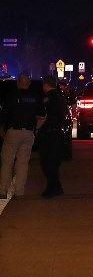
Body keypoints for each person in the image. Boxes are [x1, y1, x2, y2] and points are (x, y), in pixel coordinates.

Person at [0, 72, 45, 200]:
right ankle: (19, 192)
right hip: (28, 133)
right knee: (23, 163)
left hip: (13, 131)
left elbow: (4, 114)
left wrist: (2, 128)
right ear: (29, 83)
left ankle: (3, 191)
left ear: (18, 82)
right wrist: (35, 129)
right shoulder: (35, 97)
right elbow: (42, 116)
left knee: (7, 161)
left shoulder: (11, 96)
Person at [38, 75, 69, 199]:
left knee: (47, 162)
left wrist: (37, 127)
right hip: (58, 133)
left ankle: (52, 187)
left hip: (49, 133)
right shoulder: (61, 96)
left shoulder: (48, 98)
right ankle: (56, 187)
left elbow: (43, 116)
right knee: (54, 162)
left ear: (46, 85)